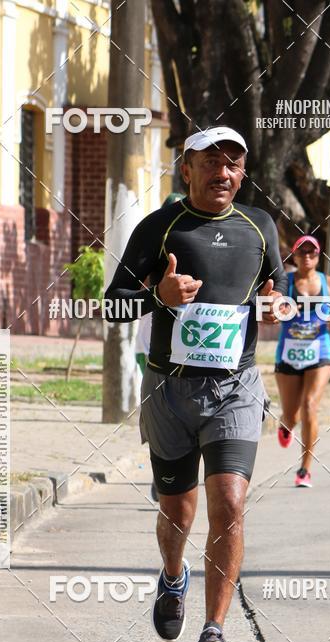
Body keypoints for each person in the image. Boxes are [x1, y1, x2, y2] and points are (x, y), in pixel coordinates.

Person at [106, 126, 287, 642]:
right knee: (177, 510)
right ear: (187, 168)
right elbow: (113, 307)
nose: (224, 172)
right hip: (170, 391)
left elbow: (277, 291)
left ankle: (214, 632)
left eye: (234, 163)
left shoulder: (260, 227)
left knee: (229, 502)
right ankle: (172, 573)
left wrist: (279, 305)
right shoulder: (159, 228)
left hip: (235, 388)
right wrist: (156, 296)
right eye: (212, 161)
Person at [274, 235, 330, 487]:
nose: (307, 256)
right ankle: (286, 425)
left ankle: (305, 468)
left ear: (318, 257)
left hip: (320, 351)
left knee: (310, 405)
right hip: (289, 352)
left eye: (312, 253)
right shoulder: (285, 282)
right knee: (291, 414)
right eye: (302, 252)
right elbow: (273, 308)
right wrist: (279, 311)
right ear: (293, 256)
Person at [134, 193, 186, 502]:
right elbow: (128, 291)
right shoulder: (151, 248)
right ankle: (161, 474)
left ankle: (177, 474)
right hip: (149, 346)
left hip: (188, 347)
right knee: (161, 412)